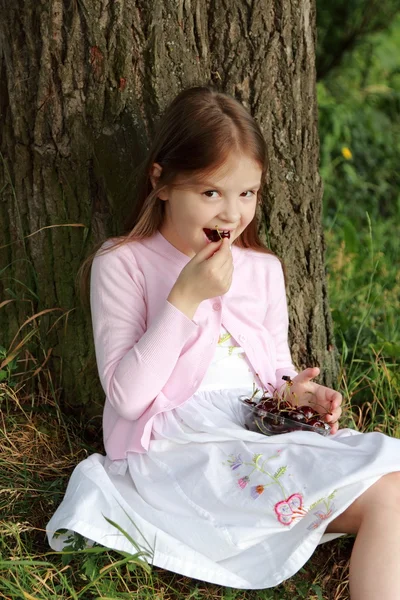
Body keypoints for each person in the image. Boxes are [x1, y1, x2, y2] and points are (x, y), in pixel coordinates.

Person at [46, 86, 400, 599]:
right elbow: (126, 397)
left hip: (253, 428)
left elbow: (273, 372)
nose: (232, 214)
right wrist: (184, 298)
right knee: (387, 498)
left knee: (392, 486)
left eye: (247, 193)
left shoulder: (263, 269)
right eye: (211, 192)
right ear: (161, 182)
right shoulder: (124, 263)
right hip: (179, 448)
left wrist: (296, 396)